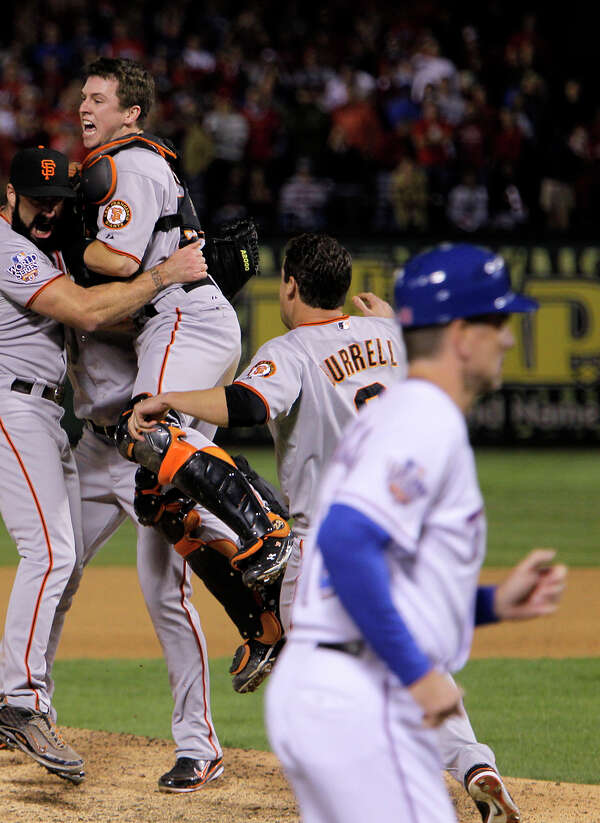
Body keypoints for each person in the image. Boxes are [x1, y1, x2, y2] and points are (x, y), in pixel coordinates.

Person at [130, 233, 526, 818]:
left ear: (290, 286)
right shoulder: (392, 337)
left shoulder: (289, 352)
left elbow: (246, 406)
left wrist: (168, 397)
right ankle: (473, 763)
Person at [263, 243, 567, 823]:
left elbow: (388, 580)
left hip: (336, 685)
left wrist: (491, 603)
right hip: (354, 694)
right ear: (460, 334)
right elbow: (348, 545)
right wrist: (421, 675)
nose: (507, 337)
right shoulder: (422, 418)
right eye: (497, 322)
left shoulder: (410, 413)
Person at [0, 145, 211, 784]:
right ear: (9, 196)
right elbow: (87, 311)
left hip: (55, 418)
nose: (48, 212)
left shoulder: (42, 240)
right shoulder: (4, 246)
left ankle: (2, 710)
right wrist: (164, 276)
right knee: (51, 555)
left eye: (58, 201)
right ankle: (22, 706)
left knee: (64, 569)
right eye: (36, 201)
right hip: (9, 405)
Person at [78, 57, 297, 600]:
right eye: (83, 97)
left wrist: (62, 246)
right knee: (167, 496)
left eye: (98, 99)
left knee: (150, 431)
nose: (84, 106)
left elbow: (119, 260)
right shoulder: (135, 161)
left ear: (131, 114)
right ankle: (262, 610)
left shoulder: (129, 163)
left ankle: (267, 524)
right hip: (189, 319)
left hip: (180, 317)